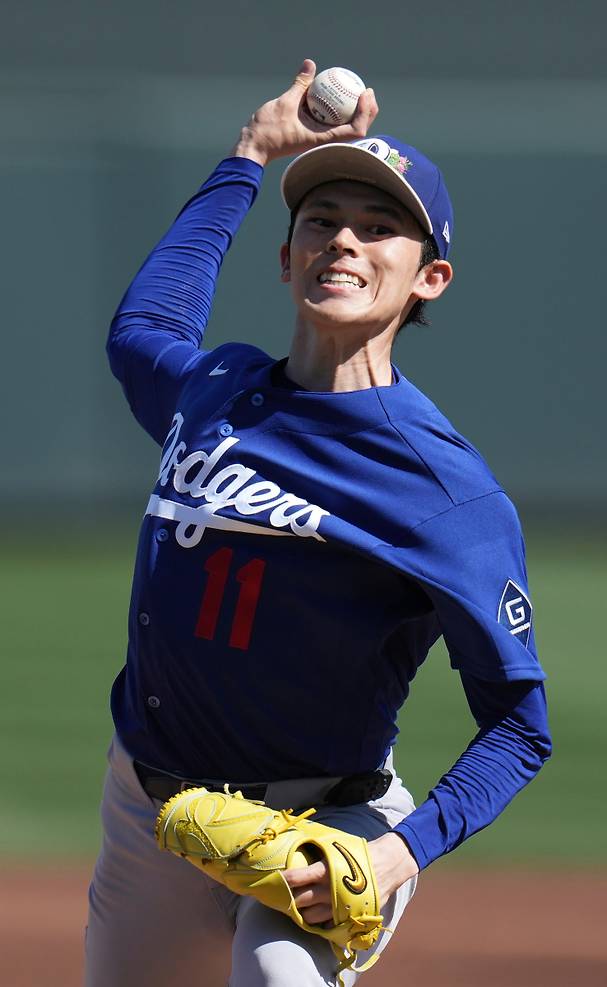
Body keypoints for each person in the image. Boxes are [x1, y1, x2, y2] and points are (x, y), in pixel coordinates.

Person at [85, 60, 551, 987]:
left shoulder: (443, 490)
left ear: (432, 278)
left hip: (327, 823)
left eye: (381, 228)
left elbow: (518, 726)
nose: (344, 241)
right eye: (322, 222)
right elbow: (144, 325)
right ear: (287, 254)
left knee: (276, 973)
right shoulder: (213, 391)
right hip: (151, 807)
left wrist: (398, 854)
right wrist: (250, 155)